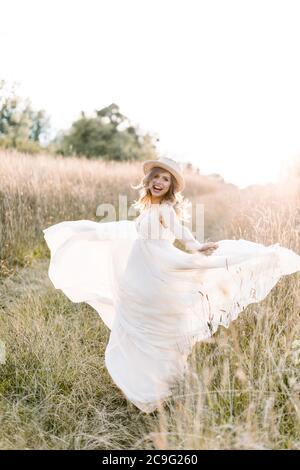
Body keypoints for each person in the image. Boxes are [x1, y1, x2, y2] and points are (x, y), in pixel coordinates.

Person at [43, 156, 300, 413]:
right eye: (156, 176)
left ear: (171, 186)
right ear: (148, 180)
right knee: (134, 324)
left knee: (153, 327)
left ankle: (156, 387)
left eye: (165, 179)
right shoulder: (148, 207)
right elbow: (133, 232)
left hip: (155, 272)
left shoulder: (165, 209)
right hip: (136, 275)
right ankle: (145, 382)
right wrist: (89, 232)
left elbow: (181, 233)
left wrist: (196, 247)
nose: (159, 182)